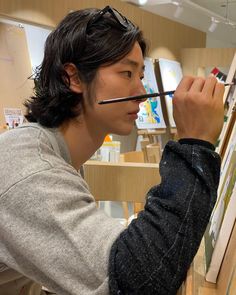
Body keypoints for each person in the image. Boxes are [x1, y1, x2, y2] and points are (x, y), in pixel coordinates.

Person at [0, 6, 224, 295]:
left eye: (140, 75)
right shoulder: (31, 169)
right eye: (127, 73)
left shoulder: (57, 154)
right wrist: (195, 144)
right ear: (74, 78)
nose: (140, 91)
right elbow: (137, 279)